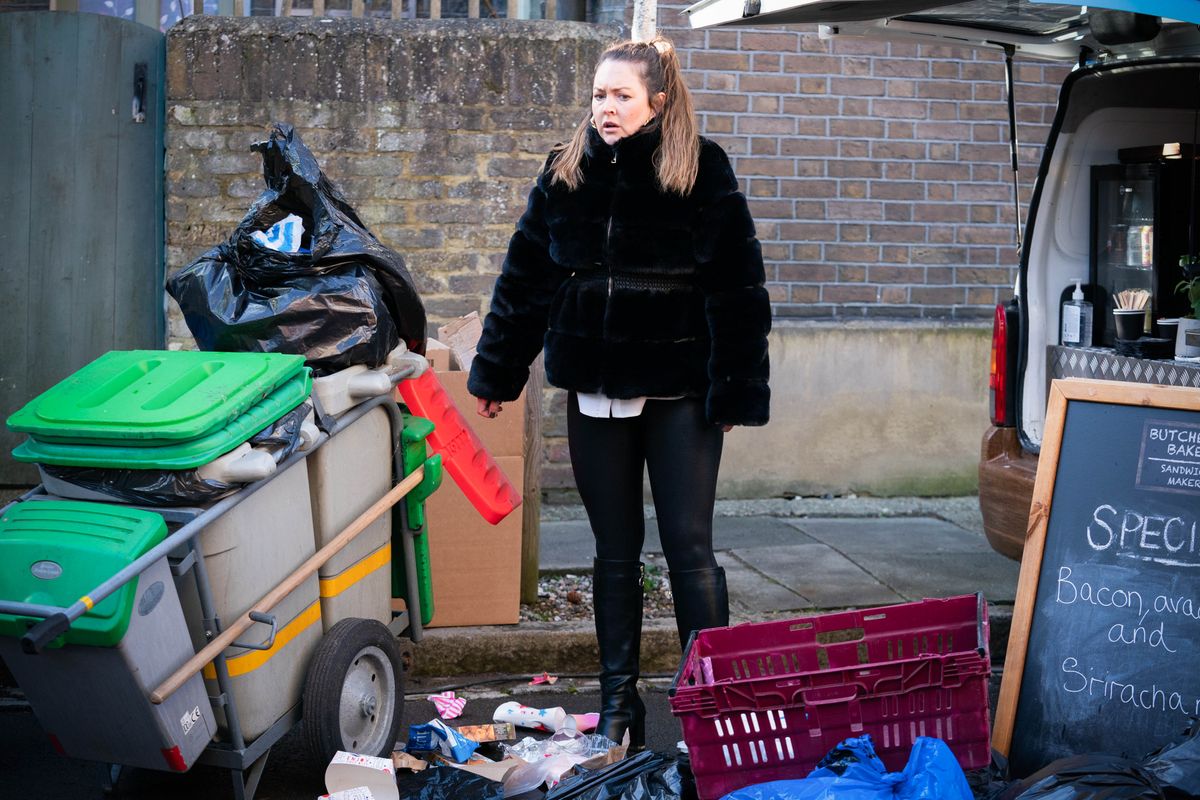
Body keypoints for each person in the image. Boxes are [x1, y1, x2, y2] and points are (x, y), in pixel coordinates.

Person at [467, 36, 770, 748]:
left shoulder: (702, 169)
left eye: (621, 96)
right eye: (599, 95)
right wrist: (497, 372)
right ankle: (618, 707)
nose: (605, 107)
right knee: (613, 551)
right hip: (594, 389)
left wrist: (733, 390)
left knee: (690, 548)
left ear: (657, 103)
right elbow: (524, 280)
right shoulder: (564, 171)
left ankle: (712, 712)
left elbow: (739, 289)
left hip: (679, 393)